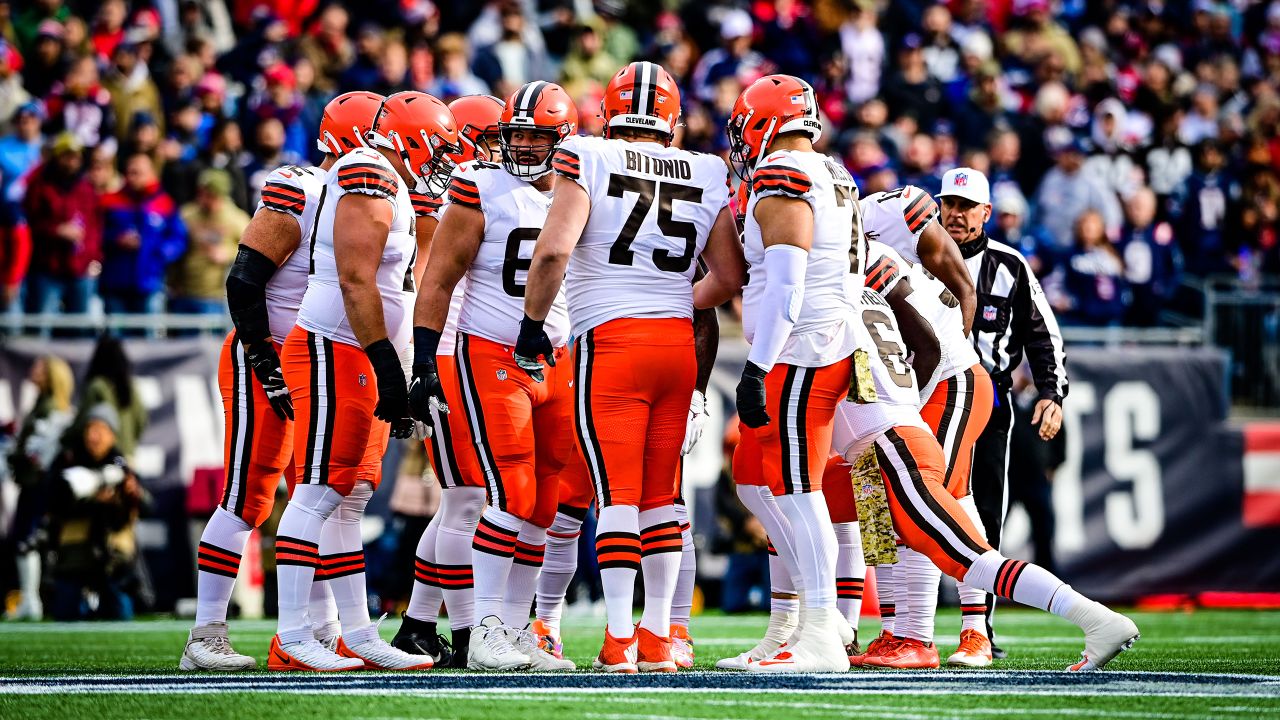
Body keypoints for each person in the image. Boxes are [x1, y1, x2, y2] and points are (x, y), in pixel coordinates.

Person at [519, 61, 745, 673]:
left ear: (608, 111)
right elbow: (728, 277)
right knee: (662, 498)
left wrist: (531, 328)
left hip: (612, 345)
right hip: (676, 347)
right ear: (671, 118)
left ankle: (620, 640)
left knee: (616, 498)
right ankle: (658, 636)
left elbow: (554, 252)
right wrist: (667, 301)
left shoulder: (586, 156)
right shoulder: (705, 168)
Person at [820, 287, 1138, 673]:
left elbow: (948, 310)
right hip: (885, 435)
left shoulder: (845, 273)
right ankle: (868, 630)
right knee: (843, 516)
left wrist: (902, 407)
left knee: (962, 553)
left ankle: (925, 636)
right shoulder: (847, 282)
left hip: (918, 415)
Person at [180, 91, 383, 672]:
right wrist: (264, 361)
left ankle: (321, 631)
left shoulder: (365, 197)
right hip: (265, 355)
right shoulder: (304, 187)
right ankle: (206, 634)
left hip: (317, 358)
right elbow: (244, 281)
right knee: (249, 495)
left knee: (321, 494)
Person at [271, 91, 458, 672]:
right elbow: (356, 282)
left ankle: (354, 632)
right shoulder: (365, 171)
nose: (445, 161)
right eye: (440, 147)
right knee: (319, 488)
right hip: (336, 347)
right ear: (409, 138)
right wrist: (388, 368)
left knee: (350, 497)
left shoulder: (392, 180)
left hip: (360, 352)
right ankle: (292, 634)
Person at [409, 81, 583, 672]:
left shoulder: (585, 187)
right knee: (508, 488)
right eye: (520, 134)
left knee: (548, 496)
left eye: (540, 136)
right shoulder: (479, 184)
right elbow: (438, 279)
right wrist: (422, 358)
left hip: (558, 357)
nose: (527, 146)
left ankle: (514, 628)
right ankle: (481, 625)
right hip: (491, 352)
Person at [726, 74, 861, 673]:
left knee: (798, 494)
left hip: (800, 350)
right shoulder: (832, 169)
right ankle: (793, 624)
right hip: (820, 343)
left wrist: (757, 367)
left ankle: (822, 633)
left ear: (762, 123)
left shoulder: (784, 173)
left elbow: (787, 281)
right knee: (755, 480)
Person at [392, 94, 504, 670]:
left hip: (455, 351)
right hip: (453, 353)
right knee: (467, 501)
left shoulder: (453, 189)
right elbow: (433, 285)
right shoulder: (447, 195)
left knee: (461, 501)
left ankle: (417, 622)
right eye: (493, 139)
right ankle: (465, 632)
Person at [940, 166, 1068, 656]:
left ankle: (979, 628)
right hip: (921, 393)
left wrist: (1051, 394)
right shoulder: (916, 253)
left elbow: (1043, 334)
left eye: (966, 206)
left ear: (986, 213)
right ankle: (903, 627)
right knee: (909, 506)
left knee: (986, 508)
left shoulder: (1010, 265)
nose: (955, 213)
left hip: (988, 396)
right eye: (949, 203)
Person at [47, 404, 150, 621]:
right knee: (66, 614)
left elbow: (149, 507)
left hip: (113, 558)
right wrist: (92, 500)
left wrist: (132, 494)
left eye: (100, 430)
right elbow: (51, 502)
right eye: (90, 429)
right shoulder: (69, 461)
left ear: (112, 435)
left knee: (119, 614)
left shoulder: (122, 467)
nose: (94, 436)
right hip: (75, 554)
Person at [5, 355, 75, 621]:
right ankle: (29, 596)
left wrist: (23, 460)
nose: (33, 370)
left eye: (39, 367)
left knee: (28, 537)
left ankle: (31, 598)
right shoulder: (43, 405)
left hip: (40, 482)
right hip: (37, 480)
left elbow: (43, 451)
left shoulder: (50, 408)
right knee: (27, 536)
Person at [20, 132, 100, 334]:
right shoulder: (40, 186)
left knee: (78, 332)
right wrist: (55, 230)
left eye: (76, 156)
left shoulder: (86, 189)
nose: (72, 161)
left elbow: (94, 228)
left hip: (79, 269)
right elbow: (29, 223)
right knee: (40, 328)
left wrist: (93, 259)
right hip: (47, 268)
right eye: (67, 155)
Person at [98, 152, 187, 324]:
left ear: (151, 174)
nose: (131, 177)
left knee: (148, 341)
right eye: (129, 172)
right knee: (115, 340)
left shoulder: (165, 203)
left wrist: (157, 252)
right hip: (115, 281)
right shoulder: (110, 201)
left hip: (149, 281)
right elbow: (97, 234)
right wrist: (116, 239)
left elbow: (178, 239)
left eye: (137, 173)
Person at [171, 169, 250, 319]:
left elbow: (254, 253)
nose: (204, 199)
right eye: (201, 193)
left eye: (210, 195)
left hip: (216, 298)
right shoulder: (187, 214)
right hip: (184, 294)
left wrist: (228, 253)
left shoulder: (237, 219)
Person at [72, 335, 147, 462]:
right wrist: (128, 444)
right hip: (127, 456)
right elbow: (141, 421)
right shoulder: (131, 388)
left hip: (103, 457)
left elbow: (83, 422)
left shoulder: (97, 386)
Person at [1062, 209, 1128, 327]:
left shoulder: (1112, 256)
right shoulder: (1070, 256)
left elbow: (1122, 287)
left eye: (1093, 224)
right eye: (1085, 224)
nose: (1089, 228)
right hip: (1081, 319)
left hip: (1111, 318)